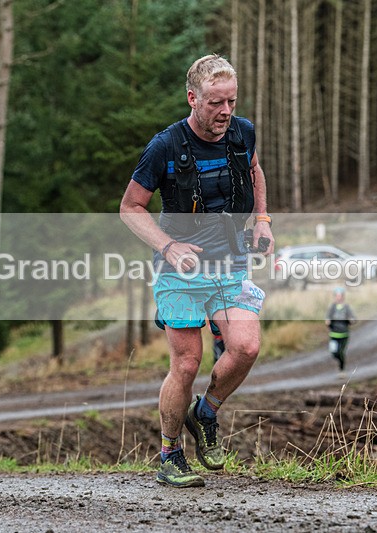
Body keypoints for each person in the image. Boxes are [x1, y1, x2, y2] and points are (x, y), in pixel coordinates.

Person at [120, 54, 274, 488]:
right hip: (180, 271)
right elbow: (130, 208)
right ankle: (170, 454)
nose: (225, 112)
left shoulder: (242, 132)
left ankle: (204, 413)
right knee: (187, 364)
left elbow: (255, 170)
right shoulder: (165, 146)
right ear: (192, 98)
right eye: (214, 103)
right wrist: (168, 247)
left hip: (231, 264)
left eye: (231, 101)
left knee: (244, 347)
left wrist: (262, 220)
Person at [325, 287, 357, 373]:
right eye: (337, 296)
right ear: (335, 297)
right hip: (334, 334)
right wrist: (328, 321)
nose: (339, 297)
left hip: (344, 334)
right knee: (334, 352)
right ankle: (340, 365)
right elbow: (328, 318)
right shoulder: (332, 307)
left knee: (341, 353)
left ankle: (341, 370)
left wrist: (351, 320)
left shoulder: (346, 307)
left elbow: (353, 318)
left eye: (340, 296)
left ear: (343, 297)